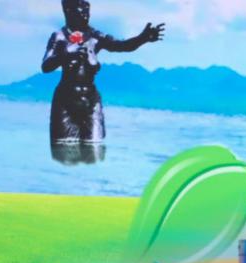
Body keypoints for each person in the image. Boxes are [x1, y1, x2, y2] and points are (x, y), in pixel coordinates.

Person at [42, 0, 164, 164]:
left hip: (91, 100)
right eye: (81, 12)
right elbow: (46, 66)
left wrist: (142, 38)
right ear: (68, 12)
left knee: (94, 152)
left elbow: (121, 46)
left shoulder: (95, 36)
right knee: (65, 155)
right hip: (65, 101)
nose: (85, 16)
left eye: (87, 12)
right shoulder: (59, 37)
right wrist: (66, 54)